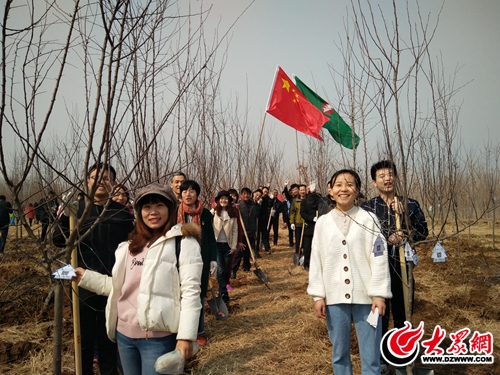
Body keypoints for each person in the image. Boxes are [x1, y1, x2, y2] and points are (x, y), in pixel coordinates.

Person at [73, 183, 203, 375]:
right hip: (124, 337)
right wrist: (84, 277)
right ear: (139, 212)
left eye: (159, 205)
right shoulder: (129, 246)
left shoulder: (182, 243)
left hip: (157, 339)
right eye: (147, 207)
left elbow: (191, 293)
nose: (153, 212)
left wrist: (186, 336)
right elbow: (119, 287)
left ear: (170, 209)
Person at [53, 163, 134, 375]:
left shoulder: (122, 213)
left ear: (114, 184)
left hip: (113, 283)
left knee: (109, 335)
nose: (101, 182)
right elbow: (57, 240)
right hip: (81, 283)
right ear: (87, 181)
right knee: (84, 337)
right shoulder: (76, 210)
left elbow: (134, 245)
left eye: (107, 178)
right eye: (95, 177)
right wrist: (64, 218)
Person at [307, 169, 391, 375]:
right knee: (340, 354)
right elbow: (316, 260)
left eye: (350, 184)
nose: (344, 189)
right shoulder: (323, 223)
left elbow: (379, 258)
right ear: (330, 191)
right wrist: (318, 296)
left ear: (358, 190)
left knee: (371, 356)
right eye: (338, 185)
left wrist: (379, 294)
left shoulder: (369, 219)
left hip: (366, 299)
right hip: (335, 299)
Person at [360, 160, 428, 375]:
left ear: (396, 178)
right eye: (381, 176)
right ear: (374, 182)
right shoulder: (367, 208)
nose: (387, 178)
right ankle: (379, 360)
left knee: (402, 314)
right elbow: (361, 238)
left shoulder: (411, 204)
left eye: (390, 174)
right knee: (378, 315)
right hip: (376, 270)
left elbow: (423, 232)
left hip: (402, 267)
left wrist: (405, 224)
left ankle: (400, 358)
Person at [177, 180, 217, 346]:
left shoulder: (206, 214)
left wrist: (213, 258)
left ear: (197, 194)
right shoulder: (174, 213)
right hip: (178, 260)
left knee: (198, 296)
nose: (188, 194)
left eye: (192, 191)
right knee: (179, 296)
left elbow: (210, 238)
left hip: (200, 260)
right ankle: (180, 331)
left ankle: (198, 330)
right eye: (185, 191)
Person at [211, 191, 238, 300]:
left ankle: (223, 287)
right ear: (217, 201)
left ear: (229, 201)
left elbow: (235, 230)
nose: (223, 201)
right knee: (221, 269)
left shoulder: (232, 214)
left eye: (226, 199)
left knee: (226, 269)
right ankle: (223, 291)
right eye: (221, 199)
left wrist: (233, 246)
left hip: (227, 245)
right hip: (216, 245)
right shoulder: (213, 212)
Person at [231, 187, 260, 278]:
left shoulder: (253, 205)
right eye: (244, 193)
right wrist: (234, 207)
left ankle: (246, 267)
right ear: (241, 195)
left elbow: (255, 218)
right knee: (239, 252)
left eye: (248, 193)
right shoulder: (238, 205)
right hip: (241, 232)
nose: (246, 195)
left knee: (248, 251)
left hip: (250, 231)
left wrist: (255, 231)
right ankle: (233, 270)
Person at [300, 182, 322, 271]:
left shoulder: (319, 199)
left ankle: (317, 263)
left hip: (319, 226)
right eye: (309, 189)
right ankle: (307, 263)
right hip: (309, 226)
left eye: (312, 188)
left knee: (317, 247)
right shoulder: (305, 201)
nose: (311, 190)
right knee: (307, 246)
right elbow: (302, 213)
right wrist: (311, 218)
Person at [289, 184, 307, 258]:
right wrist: (292, 222)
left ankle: (306, 254)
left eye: (304, 190)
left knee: (306, 241)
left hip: (306, 223)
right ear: (299, 191)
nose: (302, 191)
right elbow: (292, 212)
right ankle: (298, 253)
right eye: (301, 190)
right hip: (298, 223)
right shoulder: (295, 200)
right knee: (298, 239)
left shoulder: (308, 199)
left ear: (306, 191)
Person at [256, 186, 273, 255]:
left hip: (264, 219)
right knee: (257, 235)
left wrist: (272, 199)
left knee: (265, 234)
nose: (265, 193)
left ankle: (267, 248)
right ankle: (256, 249)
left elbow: (270, 205)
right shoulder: (258, 198)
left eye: (267, 192)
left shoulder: (268, 199)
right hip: (257, 219)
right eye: (264, 191)